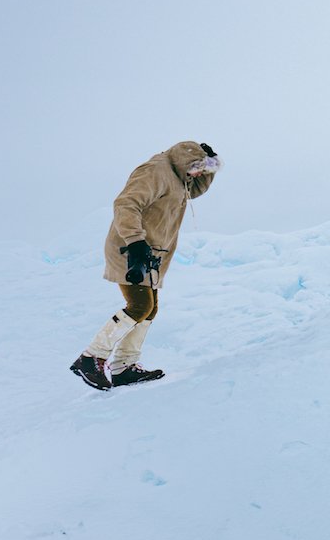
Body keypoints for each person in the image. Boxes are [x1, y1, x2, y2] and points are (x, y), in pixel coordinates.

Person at [69, 141, 221, 390]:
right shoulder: (155, 171)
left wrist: (211, 166)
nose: (197, 176)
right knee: (140, 305)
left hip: (150, 252)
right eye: (197, 169)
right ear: (186, 162)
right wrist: (136, 242)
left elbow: (192, 191)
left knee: (150, 309)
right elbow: (125, 204)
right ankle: (91, 357)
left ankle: (124, 367)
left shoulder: (179, 175)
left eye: (201, 171)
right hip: (131, 248)